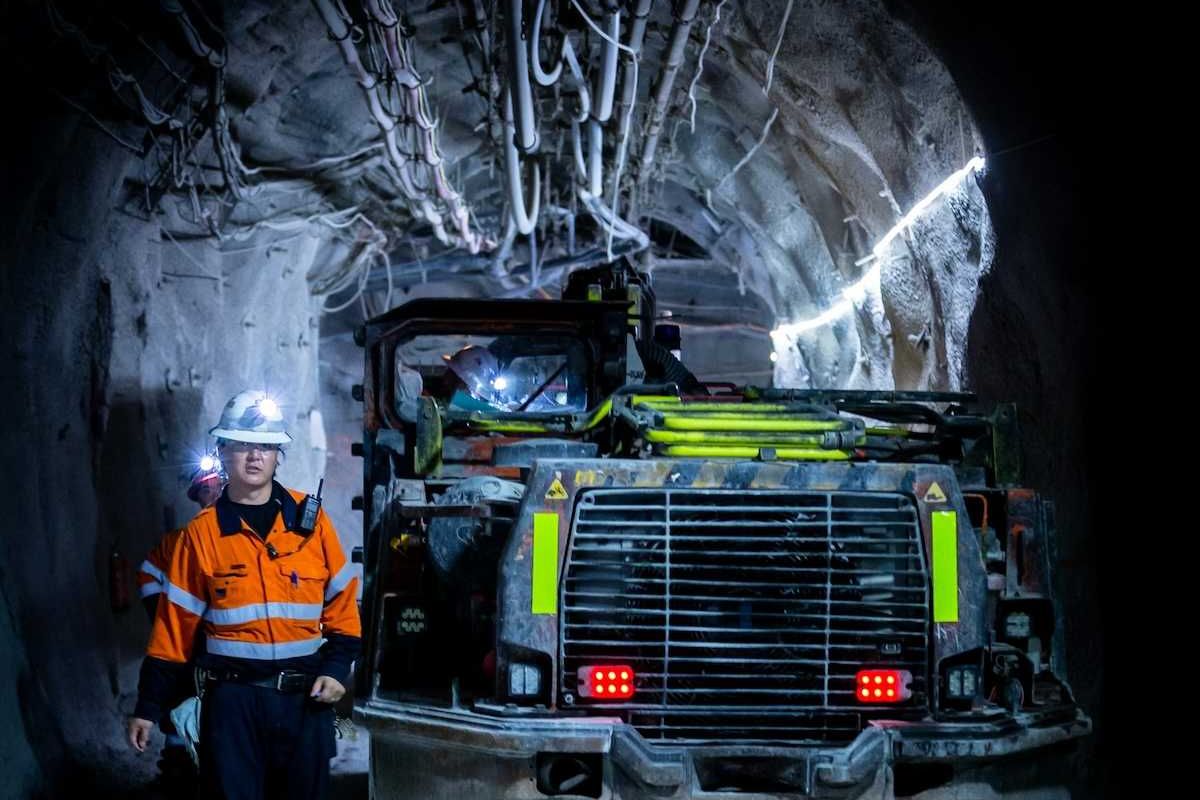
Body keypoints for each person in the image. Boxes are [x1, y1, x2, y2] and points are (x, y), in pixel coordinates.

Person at [127, 390, 361, 800]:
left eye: (266, 447)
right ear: (222, 451)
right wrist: (149, 707)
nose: (255, 456)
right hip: (233, 705)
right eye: (241, 446)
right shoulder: (200, 535)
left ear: (278, 455)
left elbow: (342, 603)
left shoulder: (312, 522)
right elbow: (173, 633)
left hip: (305, 701)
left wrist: (337, 668)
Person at [135, 454, 225, 790]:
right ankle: (179, 769)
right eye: (206, 490)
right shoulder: (179, 542)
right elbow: (148, 573)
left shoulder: (250, 536)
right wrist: (165, 615)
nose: (213, 494)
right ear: (196, 496)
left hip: (238, 647)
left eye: (219, 487)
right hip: (192, 647)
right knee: (179, 695)